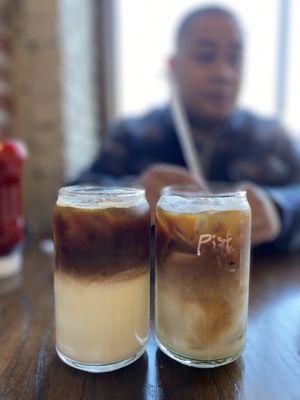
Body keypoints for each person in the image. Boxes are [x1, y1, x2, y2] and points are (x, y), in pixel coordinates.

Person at [74, 6, 300, 252]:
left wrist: (280, 209)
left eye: (235, 59)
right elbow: (74, 195)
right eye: (205, 56)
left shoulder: (272, 139)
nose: (224, 73)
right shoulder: (131, 135)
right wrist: (130, 198)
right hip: (154, 286)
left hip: (256, 286)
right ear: (173, 66)